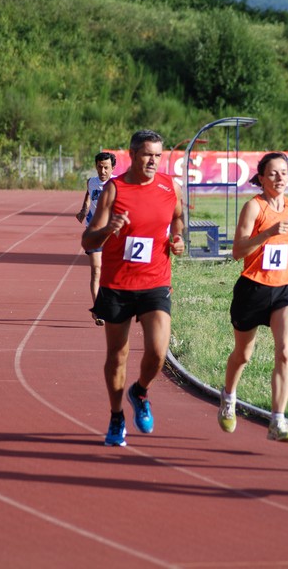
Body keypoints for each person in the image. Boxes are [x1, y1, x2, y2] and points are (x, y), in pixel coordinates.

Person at [81, 130, 184, 447]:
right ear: (133, 154)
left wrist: (177, 239)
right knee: (118, 355)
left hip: (155, 281)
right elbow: (88, 240)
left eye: (157, 155)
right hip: (117, 285)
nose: (153, 160)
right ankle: (115, 416)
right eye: (147, 154)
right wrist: (108, 230)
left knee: (157, 351)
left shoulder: (170, 187)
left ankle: (139, 391)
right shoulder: (115, 189)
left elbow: (178, 219)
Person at [218, 152, 288, 443]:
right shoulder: (253, 207)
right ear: (260, 178)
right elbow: (238, 252)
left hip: (285, 288)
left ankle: (277, 420)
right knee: (243, 355)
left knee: (285, 352)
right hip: (252, 289)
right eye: (273, 173)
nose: (280, 178)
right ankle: (229, 397)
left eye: (284, 172)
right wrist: (268, 233)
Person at [76, 152, 116, 326]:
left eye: (106, 167)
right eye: (100, 166)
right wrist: (84, 209)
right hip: (93, 232)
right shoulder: (91, 182)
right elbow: (88, 192)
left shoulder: (118, 184)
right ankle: (98, 309)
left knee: (112, 272)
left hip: (113, 234)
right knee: (96, 271)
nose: (103, 170)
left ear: (112, 168)